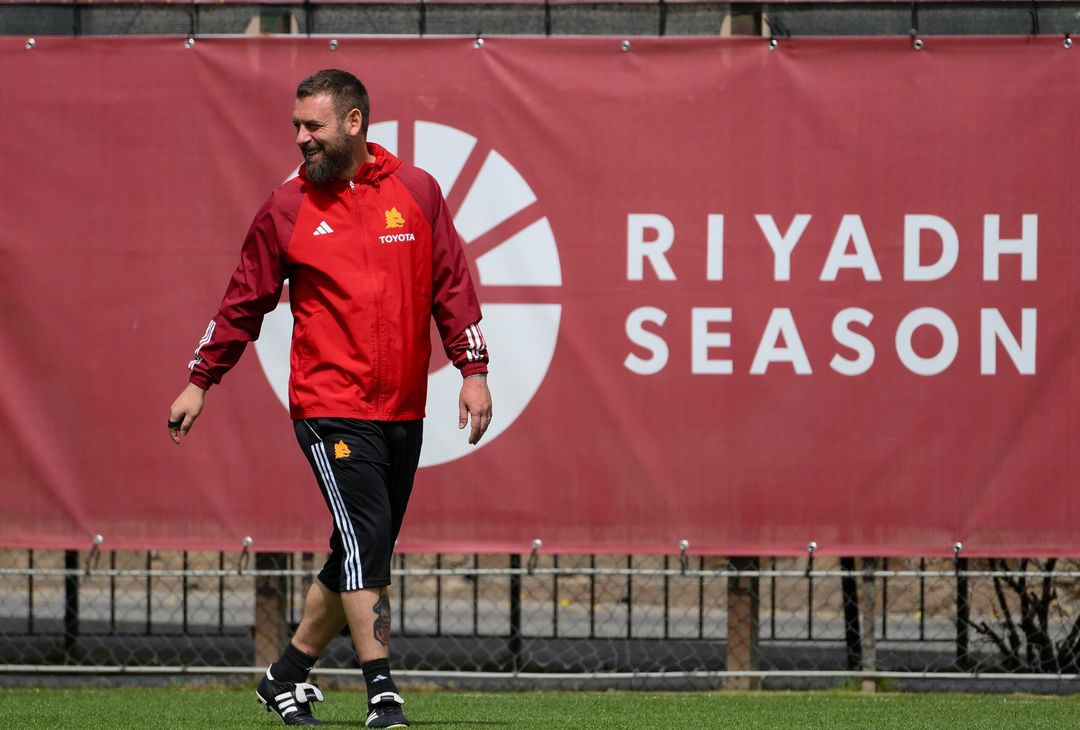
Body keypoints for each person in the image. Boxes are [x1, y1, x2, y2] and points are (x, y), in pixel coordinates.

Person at [166, 69, 492, 729]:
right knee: (367, 536)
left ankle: (284, 676)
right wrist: (201, 380)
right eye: (296, 127)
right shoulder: (286, 208)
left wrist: (473, 369)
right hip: (328, 406)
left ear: (354, 123)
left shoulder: (418, 191)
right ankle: (382, 694)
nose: (301, 139)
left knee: (358, 549)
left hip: (404, 406)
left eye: (312, 126)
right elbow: (241, 304)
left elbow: (451, 282)